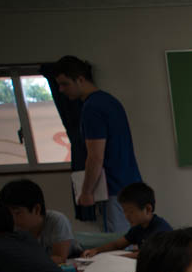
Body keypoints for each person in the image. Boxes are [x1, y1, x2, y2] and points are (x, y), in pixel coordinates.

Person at [54, 55, 142, 233]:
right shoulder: (110, 101)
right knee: (132, 241)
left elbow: (95, 156)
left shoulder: (92, 108)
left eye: (65, 84)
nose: (61, 90)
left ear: (80, 79)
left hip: (114, 189)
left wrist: (86, 192)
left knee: (118, 246)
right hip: (130, 186)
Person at [0, 178, 82, 263]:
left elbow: (60, 258)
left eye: (17, 213)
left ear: (36, 209)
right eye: (8, 213)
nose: (11, 218)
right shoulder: (13, 227)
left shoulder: (57, 220)